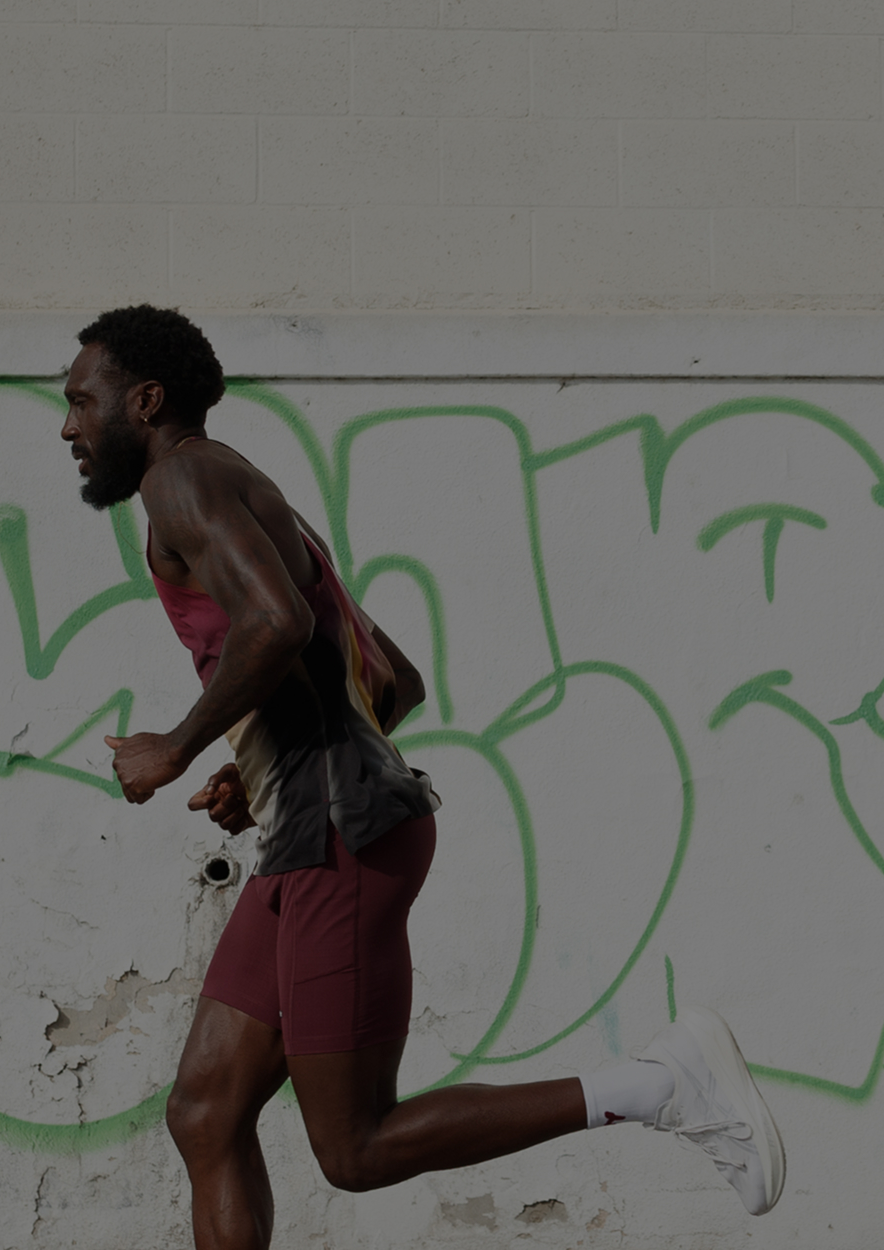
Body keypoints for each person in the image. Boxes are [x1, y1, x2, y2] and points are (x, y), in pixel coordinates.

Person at [59, 305, 786, 1249]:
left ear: (144, 401)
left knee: (356, 1150)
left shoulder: (182, 480)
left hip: (339, 833)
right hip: (313, 826)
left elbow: (275, 624)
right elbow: (392, 678)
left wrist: (181, 745)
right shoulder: (240, 483)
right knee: (205, 1112)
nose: (69, 426)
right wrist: (258, 758)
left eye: (81, 400)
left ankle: (657, 1086)